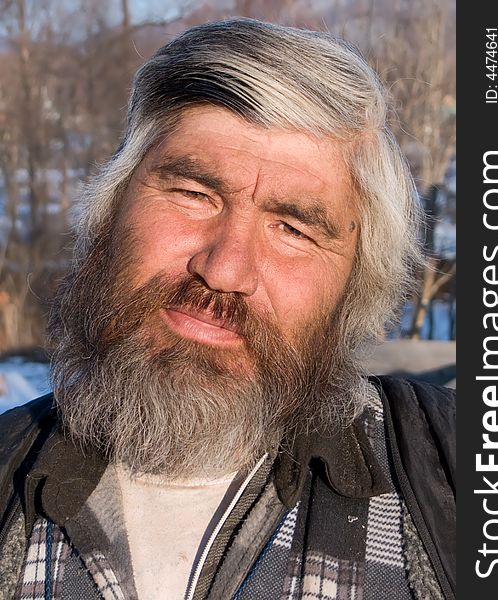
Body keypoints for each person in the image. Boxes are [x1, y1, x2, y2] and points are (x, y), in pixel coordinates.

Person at [0, 18, 455, 600]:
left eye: (293, 229)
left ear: (356, 288)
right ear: (110, 211)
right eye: (194, 194)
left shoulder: (459, 481)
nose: (224, 269)